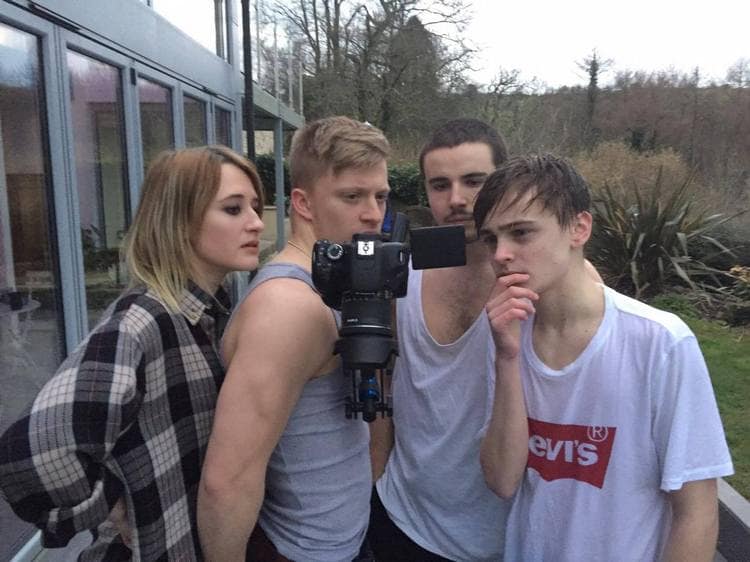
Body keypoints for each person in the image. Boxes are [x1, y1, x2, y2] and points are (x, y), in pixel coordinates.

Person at [0, 146, 265, 560]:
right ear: (178, 220)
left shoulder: (210, 315)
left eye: (255, 207)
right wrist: (109, 504)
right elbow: (32, 453)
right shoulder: (142, 322)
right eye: (233, 209)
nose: (256, 222)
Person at [475, 153, 734, 561]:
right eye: (491, 239)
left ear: (579, 228)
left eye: (521, 233)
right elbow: (503, 481)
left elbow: (696, 511)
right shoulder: (508, 333)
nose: (501, 254)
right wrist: (506, 358)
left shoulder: (660, 343)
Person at [197, 116, 391, 561]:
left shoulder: (329, 288)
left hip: (339, 543)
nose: (373, 213)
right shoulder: (289, 307)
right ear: (303, 204)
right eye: (352, 196)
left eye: (380, 196)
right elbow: (227, 481)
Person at [367, 118, 512, 561]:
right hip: (405, 521)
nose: (457, 200)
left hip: (508, 533)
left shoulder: (539, 280)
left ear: (504, 182)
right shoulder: (403, 276)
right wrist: (374, 489)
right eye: (440, 185)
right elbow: (383, 389)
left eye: (474, 181)